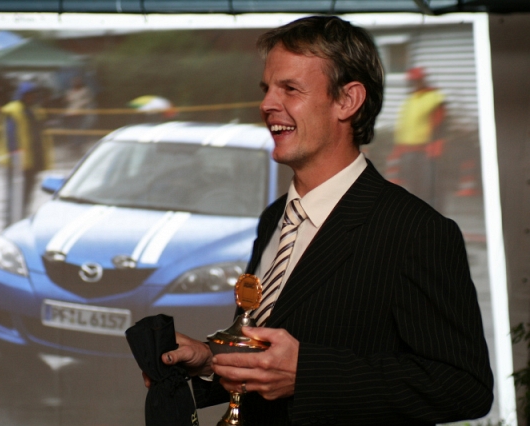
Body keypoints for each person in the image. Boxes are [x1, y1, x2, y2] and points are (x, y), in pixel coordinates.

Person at [144, 15, 494, 425]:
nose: (267, 104)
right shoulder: (275, 217)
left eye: (290, 89)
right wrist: (209, 361)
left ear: (348, 101)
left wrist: (309, 375)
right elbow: (272, 357)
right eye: (267, 88)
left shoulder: (416, 231)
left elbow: (464, 386)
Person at [387, 66, 447, 210]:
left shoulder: (433, 97)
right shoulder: (410, 100)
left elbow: (440, 124)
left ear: (423, 80)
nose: (413, 84)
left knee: (429, 186)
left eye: (416, 80)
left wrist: (437, 145)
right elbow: (404, 126)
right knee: (413, 186)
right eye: (411, 81)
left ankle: (436, 214)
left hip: (426, 151)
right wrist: (398, 148)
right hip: (408, 151)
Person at [0, 81, 54, 225]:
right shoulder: (13, 110)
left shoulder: (35, 111)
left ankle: (20, 223)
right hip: (17, 163)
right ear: (22, 95)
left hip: (33, 162)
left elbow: (40, 135)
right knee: (14, 197)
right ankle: (9, 225)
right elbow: (10, 137)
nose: (31, 97)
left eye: (33, 95)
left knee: (27, 197)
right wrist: (16, 158)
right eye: (28, 95)